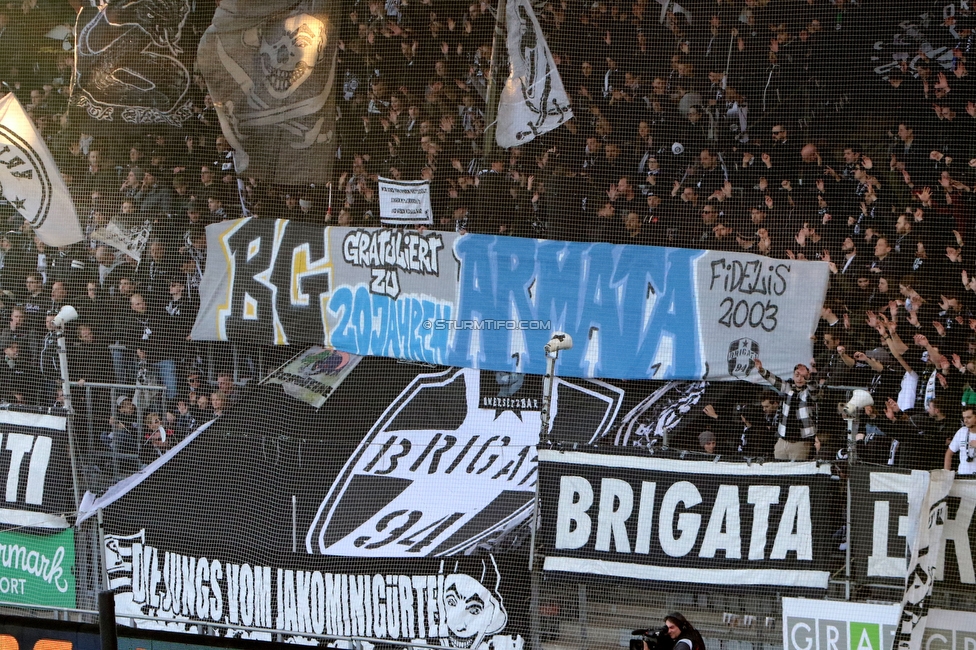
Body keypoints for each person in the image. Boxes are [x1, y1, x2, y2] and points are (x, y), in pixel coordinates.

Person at [751, 358, 821, 461]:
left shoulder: (809, 392)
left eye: (802, 376)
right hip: (782, 441)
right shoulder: (788, 388)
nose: (799, 379)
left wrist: (807, 377)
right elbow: (774, 380)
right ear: (793, 376)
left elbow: (815, 392)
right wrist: (761, 370)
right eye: (797, 376)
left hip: (801, 442)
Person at [945, 406, 976, 475]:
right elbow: (949, 453)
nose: (965, 420)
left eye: (969, 417)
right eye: (964, 418)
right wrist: (946, 474)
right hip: (962, 475)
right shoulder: (961, 431)